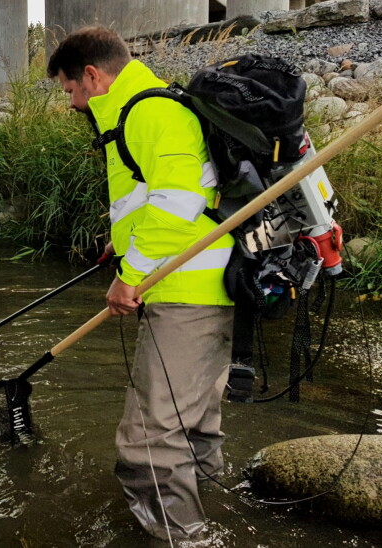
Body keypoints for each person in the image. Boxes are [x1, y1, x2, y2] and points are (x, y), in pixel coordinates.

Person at [47, 26, 235, 541]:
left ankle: (181, 537)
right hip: (196, 286)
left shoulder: (149, 111)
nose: (69, 103)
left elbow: (177, 206)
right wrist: (124, 246)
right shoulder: (139, 110)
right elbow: (155, 198)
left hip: (185, 293)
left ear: (91, 75)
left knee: (147, 441)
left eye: (68, 90)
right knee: (193, 423)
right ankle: (208, 512)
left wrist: (129, 277)